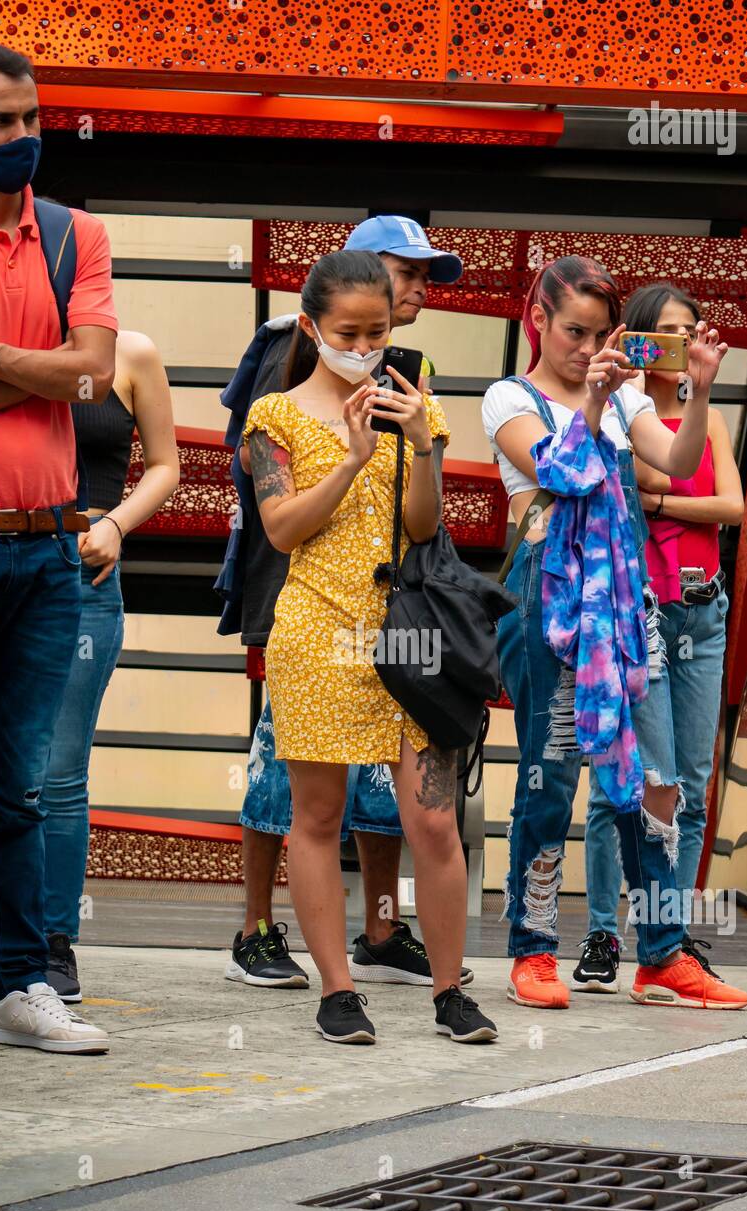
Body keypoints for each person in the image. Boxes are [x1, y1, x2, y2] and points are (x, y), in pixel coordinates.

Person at [242, 248, 497, 1043]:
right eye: (347, 333)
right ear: (313, 329)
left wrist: (418, 442)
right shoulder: (274, 417)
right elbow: (282, 529)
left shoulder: (413, 403)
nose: (364, 347)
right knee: (318, 816)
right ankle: (338, 990)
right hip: (319, 631)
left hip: (412, 636)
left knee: (434, 822)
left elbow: (425, 526)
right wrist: (353, 457)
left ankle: (450, 991)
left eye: (377, 332)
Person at [481, 255, 747, 1011]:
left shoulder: (629, 393)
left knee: (645, 782)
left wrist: (692, 386)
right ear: (538, 319)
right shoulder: (511, 396)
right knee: (550, 775)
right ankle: (533, 952)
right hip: (548, 605)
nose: (586, 347)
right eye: (574, 331)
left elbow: (683, 459)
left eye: (600, 334)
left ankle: (661, 952)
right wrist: (595, 402)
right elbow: (560, 472)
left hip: (629, 607)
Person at [0, 42, 116, 1053]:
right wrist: (49, 368)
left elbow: (96, 375)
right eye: (1, 123)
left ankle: (22, 982)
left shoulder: (74, 235)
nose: (24, 138)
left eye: (31, 118)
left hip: (47, 550)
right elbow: (70, 370)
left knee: (21, 780)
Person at [0, 329, 180, 1003]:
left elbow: (165, 466)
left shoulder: (133, 354)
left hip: (82, 571)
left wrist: (115, 525)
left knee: (55, 773)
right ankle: (4, 947)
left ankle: (53, 945)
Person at [581, 283, 744, 987]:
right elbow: (654, 471)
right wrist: (665, 495)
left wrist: (662, 498)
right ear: (637, 340)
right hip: (644, 609)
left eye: (689, 331)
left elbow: (732, 505)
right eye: (663, 334)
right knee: (637, 783)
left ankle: (667, 942)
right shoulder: (626, 411)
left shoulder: (710, 419)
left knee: (695, 787)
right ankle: (600, 935)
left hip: (704, 611)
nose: (678, 346)